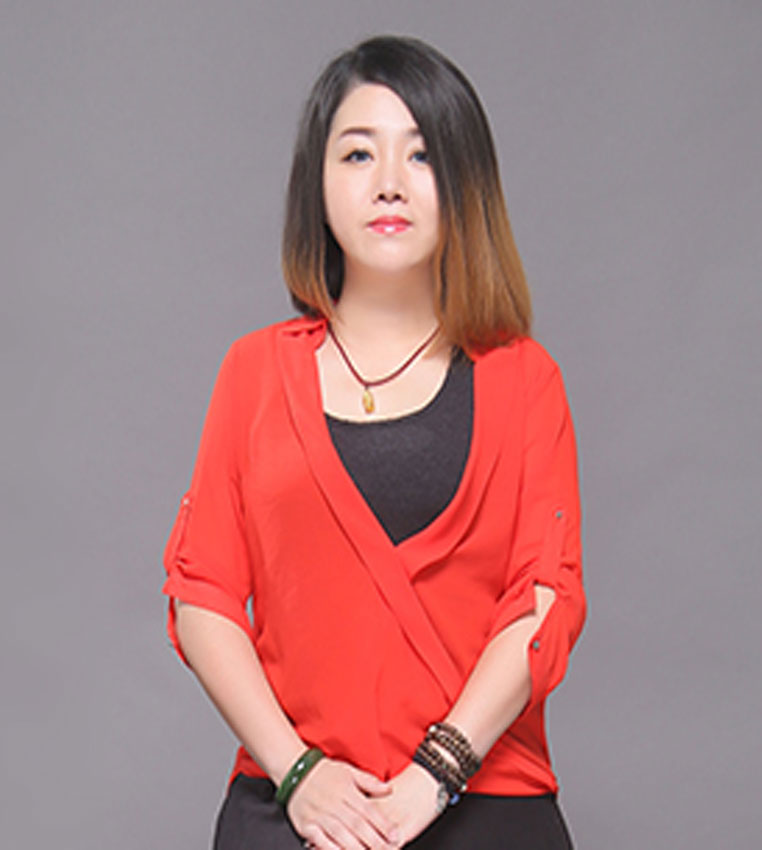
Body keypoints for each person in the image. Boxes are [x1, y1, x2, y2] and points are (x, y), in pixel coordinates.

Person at [162, 34, 586, 850]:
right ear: (316, 185)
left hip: (486, 799)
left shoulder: (526, 379)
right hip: (294, 805)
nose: (389, 181)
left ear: (465, 184)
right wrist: (297, 774)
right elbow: (202, 594)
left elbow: (544, 598)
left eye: (421, 156)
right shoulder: (252, 373)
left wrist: (436, 773)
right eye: (358, 153)